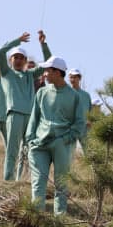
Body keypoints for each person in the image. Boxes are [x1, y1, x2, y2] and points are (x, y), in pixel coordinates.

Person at [25, 57, 82, 214]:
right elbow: (34, 118)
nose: (44, 74)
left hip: (62, 145)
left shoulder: (74, 96)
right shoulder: (41, 93)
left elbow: (79, 124)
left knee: (61, 185)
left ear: (57, 72)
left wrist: (64, 140)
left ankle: (60, 222)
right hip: (39, 145)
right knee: (37, 183)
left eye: (47, 71)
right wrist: (30, 140)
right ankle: (37, 222)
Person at [0, 31, 51, 181]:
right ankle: (8, 180)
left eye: (22, 58)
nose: (19, 60)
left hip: (30, 116)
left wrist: (43, 44)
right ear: (10, 60)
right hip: (14, 115)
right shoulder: (7, 73)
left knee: (28, 150)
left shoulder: (30, 74)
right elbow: (1, 51)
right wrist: (17, 41)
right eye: (16, 57)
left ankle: (22, 179)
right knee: (12, 150)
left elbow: (49, 62)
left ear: (26, 61)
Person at [66, 69, 92, 148]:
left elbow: (89, 111)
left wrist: (89, 121)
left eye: (75, 77)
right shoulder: (66, 93)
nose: (73, 79)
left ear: (79, 78)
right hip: (70, 127)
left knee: (88, 150)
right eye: (71, 77)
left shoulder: (86, 95)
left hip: (84, 128)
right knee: (69, 151)